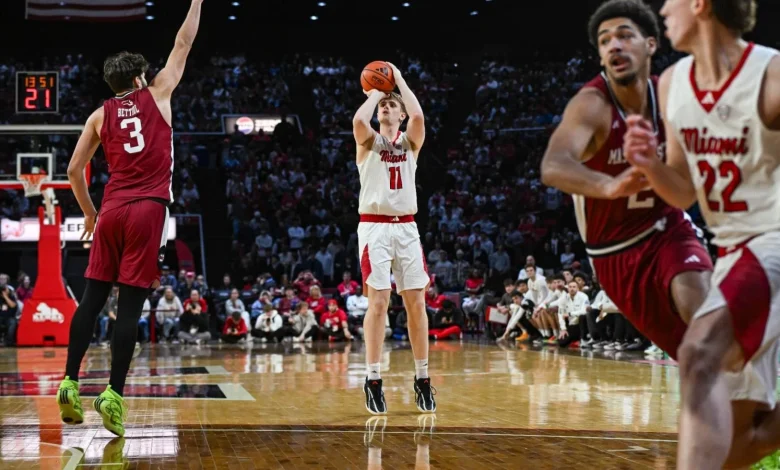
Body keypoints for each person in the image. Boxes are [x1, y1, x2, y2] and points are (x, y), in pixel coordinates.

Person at [623, 0, 780, 467]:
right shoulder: (672, 85)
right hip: (733, 253)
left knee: (697, 353)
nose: (663, 10)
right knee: (738, 446)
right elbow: (683, 191)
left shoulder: (770, 75)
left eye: (671, 0)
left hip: (773, 238)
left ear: (700, 4)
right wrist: (651, 165)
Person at [55, 0, 204, 438]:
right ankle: (113, 395)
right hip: (147, 208)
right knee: (130, 308)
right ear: (139, 77)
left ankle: (68, 381)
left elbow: (71, 171)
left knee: (92, 299)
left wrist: (89, 213)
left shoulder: (99, 114)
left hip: (112, 209)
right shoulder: (158, 93)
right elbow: (184, 41)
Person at [540, 0, 713, 360]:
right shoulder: (592, 104)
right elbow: (553, 166)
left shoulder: (670, 97)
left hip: (667, 228)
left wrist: (655, 167)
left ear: (650, 44)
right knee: (692, 356)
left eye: (623, 36)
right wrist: (609, 186)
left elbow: (683, 195)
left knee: (706, 319)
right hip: (613, 252)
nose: (613, 46)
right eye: (604, 41)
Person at [353, 62, 435, 414]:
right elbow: (358, 122)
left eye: (392, 105)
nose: (386, 107)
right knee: (379, 302)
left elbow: (419, 117)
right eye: (382, 106)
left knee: (416, 304)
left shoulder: (411, 142)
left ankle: (422, 378)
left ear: (400, 115)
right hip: (374, 227)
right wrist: (374, 93)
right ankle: (373, 379)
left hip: (407, 228)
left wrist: (397, 81)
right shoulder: (369, 141)